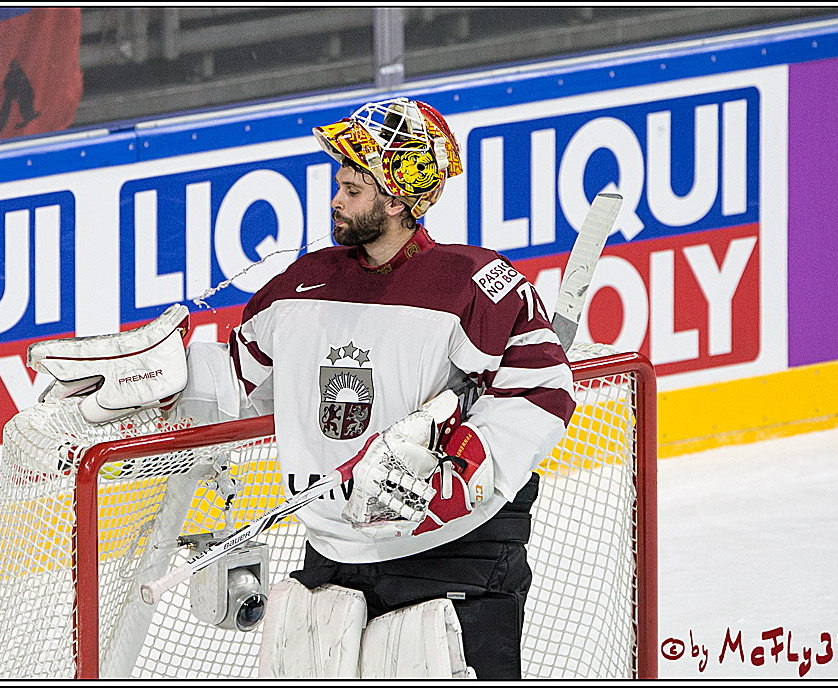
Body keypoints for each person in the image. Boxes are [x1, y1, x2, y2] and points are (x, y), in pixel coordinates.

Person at [173, 97, 577, 679]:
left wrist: (464, 470)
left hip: (454, 551)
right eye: (338, 185)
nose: (336, 200)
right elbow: (239, 378)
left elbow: (541, 389)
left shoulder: (475, 284)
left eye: (353, 189)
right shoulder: (304, 283)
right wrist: (161, 381)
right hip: (335, 548)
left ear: (397, 199)